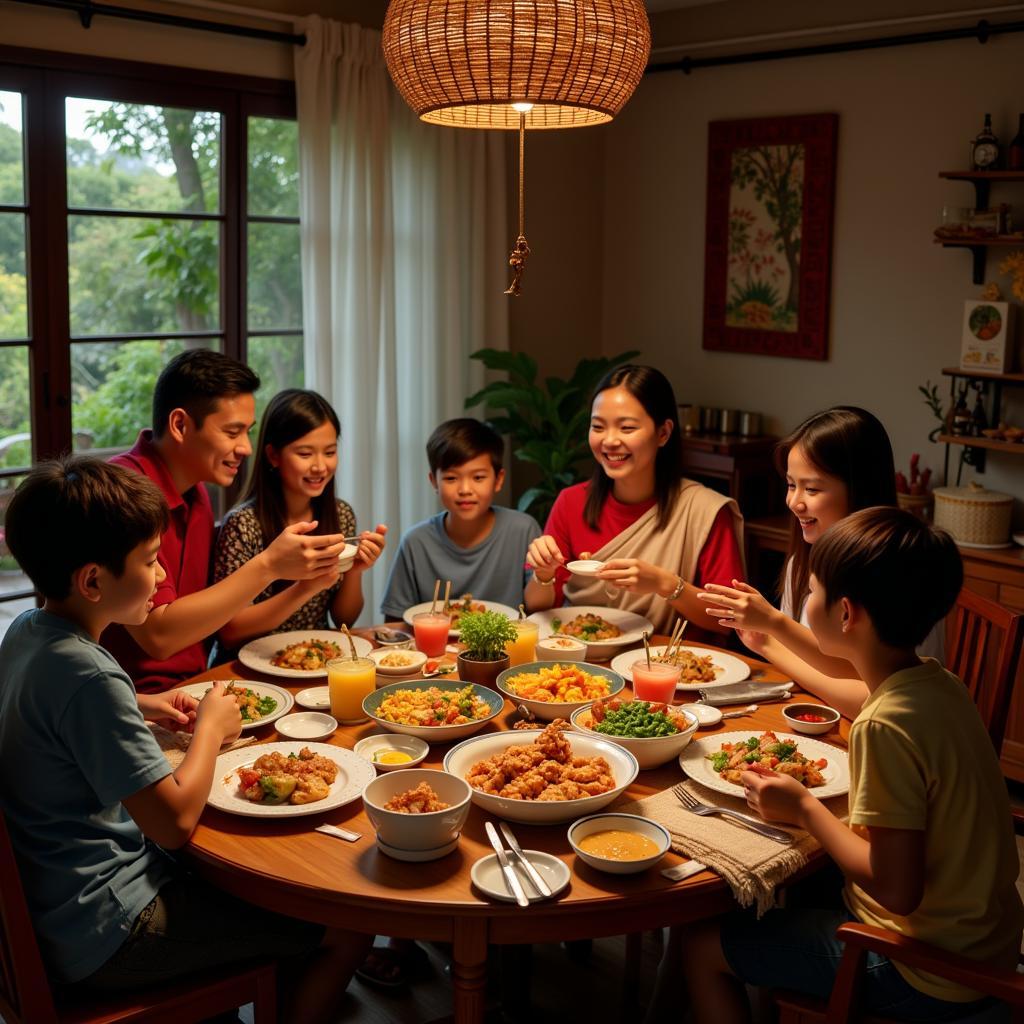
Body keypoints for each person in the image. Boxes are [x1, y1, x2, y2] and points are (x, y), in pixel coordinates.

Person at [0, 457, 370, 1022]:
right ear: (93, 581)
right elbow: (171, 824)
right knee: (343, 920)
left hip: (55, 904)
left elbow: (50, 719)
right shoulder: (91, 677)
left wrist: (139, 704)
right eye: (150, 562)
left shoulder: (30, 633)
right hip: (111, 927)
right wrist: (212, 732)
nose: (160, 578)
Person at [682, 506, 1023, 1023]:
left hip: (921, 967)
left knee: (701, 945)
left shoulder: (882, 725)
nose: (806, 603)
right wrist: (773, 635)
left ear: (846, 614)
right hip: (985, 939)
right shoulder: (938, 683)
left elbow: (896, 890)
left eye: (813, 592)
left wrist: (803, 808)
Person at [102, 350, 348, 692]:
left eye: (248, 431)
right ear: (180, 425)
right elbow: (159, 637)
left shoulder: (198, 494)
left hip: (200, 684)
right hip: (133, 696)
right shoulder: (121, 491)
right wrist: (270, 565)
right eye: (232, 432)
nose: (246, 448)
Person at [696, 406, 943, 718]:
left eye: (811, 488)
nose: (794, 502)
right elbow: (820, 662)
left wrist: (775, 627)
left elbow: (875, 698)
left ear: (859, 488)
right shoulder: (805, 557)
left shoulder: (894, 571)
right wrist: (767, 641)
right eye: (790, 484)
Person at [524, 364, 744, 639]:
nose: (610, 440)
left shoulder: (705, 512)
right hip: (580, 667)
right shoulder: (571, 502)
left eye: (627, 428)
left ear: (663, 433)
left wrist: (665, 584)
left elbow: (730, 618)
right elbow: (538, 606)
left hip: (669, 670)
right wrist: (544, 574)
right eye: (598, 427)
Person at [213, 389, 387, 657]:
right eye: (305, 454)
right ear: (273, 456)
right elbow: (231, 630)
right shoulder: (243, 525)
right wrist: (306, 587)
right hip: (248, 666)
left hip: (315, 657)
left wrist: (355, 570)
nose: (320, 466)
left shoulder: (340, 515)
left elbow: (345, 618)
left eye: (329, 452)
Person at [380, 417, 540, 621]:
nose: (465, 490)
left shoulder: (522, 530)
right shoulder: (416, 542)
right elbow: (394, 622)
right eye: (451, 478)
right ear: (433, 481)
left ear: (498, 480)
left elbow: (538, 610)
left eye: (478, 477)